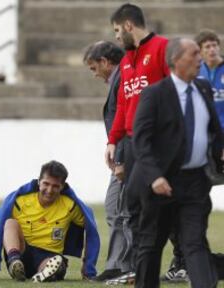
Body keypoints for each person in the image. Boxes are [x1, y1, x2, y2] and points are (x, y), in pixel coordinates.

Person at [130, 37, 222, 288]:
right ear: (175, 60)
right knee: (151, 245)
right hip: (161, 183)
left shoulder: (203, 89)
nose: (199, 58)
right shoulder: (154, 94)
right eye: (193, 54)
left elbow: (213, 130)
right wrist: (155, 176)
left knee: (195, 243)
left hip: (195, 184)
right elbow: (141, 141)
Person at [104, 3, 169, 284]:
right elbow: (122, 103)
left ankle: (188, 261)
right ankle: (139, 272)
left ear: (129, 25)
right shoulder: (127, 61)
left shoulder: (163, 49)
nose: (117, 37)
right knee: (134, 210)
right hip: (131, 145)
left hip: (158, 143)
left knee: (162, 211)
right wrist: (112, 141)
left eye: (118, 31)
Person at [0, 160, 100, 282]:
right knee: (10, 223)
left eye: (55, 186)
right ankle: (15, 263)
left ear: (62, 187)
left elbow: (91, 228)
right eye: (46, 184)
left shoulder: (70, 206)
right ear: (39, 182)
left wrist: (87, 265)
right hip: (21, 253)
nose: (49, 190)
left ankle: (45, 274)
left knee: (58, 263)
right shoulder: (19, 202)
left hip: (49, 257)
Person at [83, 41, 133, 282]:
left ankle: (127, 266)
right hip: (122, 154)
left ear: (105, 62)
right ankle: (119, 264)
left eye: (94, 68)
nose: (94, 74)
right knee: (116, 209)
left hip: (127, 156)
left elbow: (125, 120)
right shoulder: (120, 78)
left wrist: (121, 158)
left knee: (122, 210)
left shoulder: (124, 78)